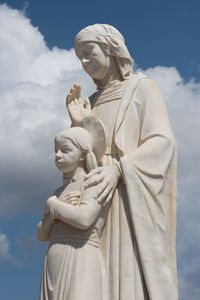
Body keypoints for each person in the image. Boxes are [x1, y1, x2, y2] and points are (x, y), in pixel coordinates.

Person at [66, 24, 178, 300]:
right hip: (94, 195)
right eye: (79, 57)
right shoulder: (90, 102)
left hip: (127, 195)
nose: (84, 62)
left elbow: (162, 143)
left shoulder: (143, 89)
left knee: (124, 272)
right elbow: (83, 155)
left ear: (109, 49)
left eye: (88, 52)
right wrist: (79, 125)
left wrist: (117, 170)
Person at [37, 120, 111, 300]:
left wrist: (54, 207)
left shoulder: (92, 182)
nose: (58, 155)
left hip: (80, 255)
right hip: (54, 262)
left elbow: (84, 219)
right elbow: (41, 234)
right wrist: (53, 215)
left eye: (65, 150)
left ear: (83, 155)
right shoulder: (58, 193)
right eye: (56, 151)